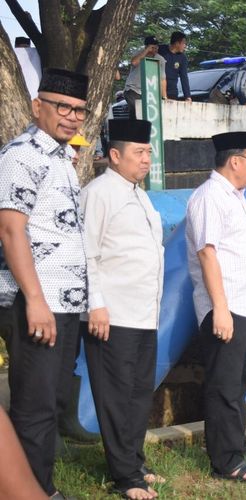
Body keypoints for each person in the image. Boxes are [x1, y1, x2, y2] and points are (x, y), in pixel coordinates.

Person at [0, 68, 89, 499]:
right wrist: (35, 300)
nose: (71, 117)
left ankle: (41, 488)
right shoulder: (21, 155)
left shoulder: (62, 157)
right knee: (33, 408)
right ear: (38, 107)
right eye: (62, 107)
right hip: (35, 301)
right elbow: (11, 231)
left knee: (49, 403)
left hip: (65, 302)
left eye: (79, 110)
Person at [81, 119, 164, 500]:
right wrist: (95, 305)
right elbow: (87, 254)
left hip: (144, 313)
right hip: (112, 313)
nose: (146, 159)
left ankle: (134, 460)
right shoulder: (99, 193)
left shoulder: (138, 193)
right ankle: (124, 476)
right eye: (139, 152)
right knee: (115, 395)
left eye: (148, 152)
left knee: (137, 393)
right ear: (115, 156)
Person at [185, 132, 246, 484]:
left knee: (240, 381)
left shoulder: (235, 196)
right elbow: (207, 253)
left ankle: (236, 444)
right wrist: (219, 309)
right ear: (235, 161)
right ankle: (226, 461)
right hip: (227, 307)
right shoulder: (210, 197)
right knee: (224, 385)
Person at [124, 36, 167, 118]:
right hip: (133, 89)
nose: (155, 49)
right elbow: (134, 62)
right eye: (152, 47)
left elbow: (163, 79)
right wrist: (147, 51)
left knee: (146, 114)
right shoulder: (139, 53)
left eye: (156, 47)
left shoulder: (160, 59)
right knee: (137, 111)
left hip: (149, 92)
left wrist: (164, 96)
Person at [158, 31, 191, 101]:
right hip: (157, 90)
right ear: (176, 43)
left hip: (172, 92)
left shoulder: (182, 58)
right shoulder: (160, 50)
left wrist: (187, 96)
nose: (185, 46)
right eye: (184, 43)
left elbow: (184, 77)